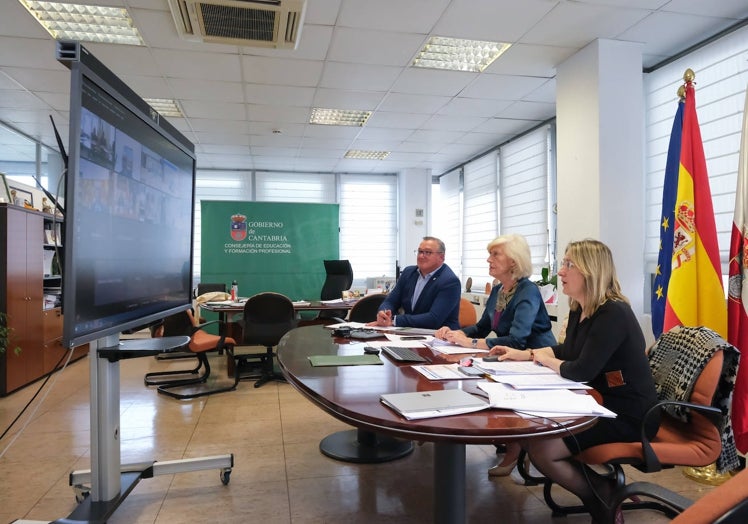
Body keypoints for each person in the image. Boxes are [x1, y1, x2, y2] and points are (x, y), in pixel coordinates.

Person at [492, 239, 659, 522]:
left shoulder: (613, 312)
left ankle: (602, 493)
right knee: (535, 437)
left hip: (628, 413)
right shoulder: (581, 308)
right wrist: (527, 353)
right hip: (598, 403)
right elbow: (567, 352)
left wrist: (542, 359)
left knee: (544, 449)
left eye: (569, 264)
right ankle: (603, 489)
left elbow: (580, 370)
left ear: (591, 271)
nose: (560, 272)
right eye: (563, 264)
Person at [435, 234, 556, 477]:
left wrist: (470, 342)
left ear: (513, 261)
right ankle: (511, 439)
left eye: (495, 254)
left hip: (535, 360)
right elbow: (481, 327)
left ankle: (515, 448)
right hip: (508, 359)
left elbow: (517, 339)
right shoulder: (499, 289)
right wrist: (455, 333)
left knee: (499, 392)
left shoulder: (528, 291)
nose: (488, 259)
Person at [370, 236, 460, 329]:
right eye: (420, 251)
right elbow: (391, 301)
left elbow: (434, 319)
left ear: (441, 257)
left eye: (428, 252)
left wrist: (394, 320)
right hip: (409, 333)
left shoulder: (450, 281)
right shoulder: (409, 273)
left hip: (440, 337)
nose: (421, 256)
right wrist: (383, 313)